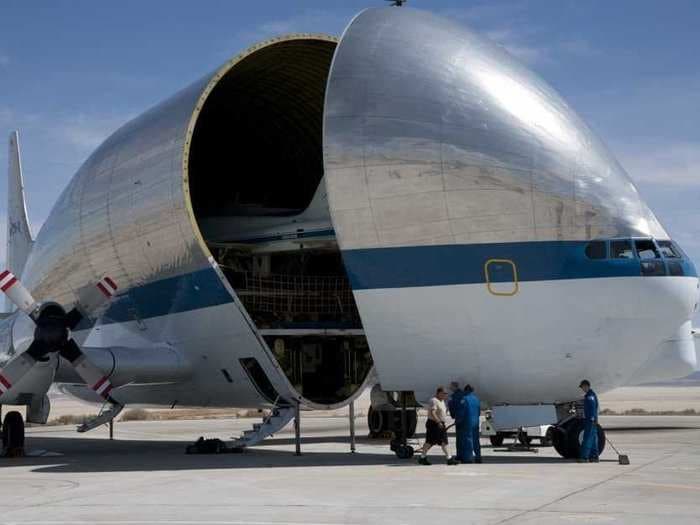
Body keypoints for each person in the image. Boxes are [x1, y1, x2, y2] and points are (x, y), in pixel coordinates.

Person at [418, 386, 458, 465]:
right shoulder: (434, 400)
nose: (445, 395)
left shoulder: (442, 401)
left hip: (439, 423)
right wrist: (438, 422)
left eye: (446, 394)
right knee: (437, 441)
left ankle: (423, 457)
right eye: (444, 393)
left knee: (436, 441)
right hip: (434, 424)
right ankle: (448, 459)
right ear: (439, 393)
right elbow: (433, 412)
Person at [578, 379, 599, 463]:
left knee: (587, 438)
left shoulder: (590, 396)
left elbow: (593, 407)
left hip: (590, 420)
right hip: (592, 420)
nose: (582, 389)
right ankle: (594, 457)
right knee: (593, 439)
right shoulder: (591, 395)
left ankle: (584, 457)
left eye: (582, 387)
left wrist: (592, 418)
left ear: (586, 386)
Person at [462, 384, 482, 464]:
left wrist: (459, 420)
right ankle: (478, 457)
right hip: (476, 422)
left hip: (467, 422)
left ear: (466, 390)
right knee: (476, 440)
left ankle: (468, 458)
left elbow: (462, 411)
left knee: (468, 440)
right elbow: (479, 412)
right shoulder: (477, 399)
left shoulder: (464, 399)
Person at [447, 382, 467, 462]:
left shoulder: (454, 396)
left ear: (454, 387)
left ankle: (460, 455)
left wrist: (454, 416)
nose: (450, 388)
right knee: (465, 438)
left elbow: (452, 407)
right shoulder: (464, 395)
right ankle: (465, 455)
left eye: (451, 387)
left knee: (459, 439)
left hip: (459, 419)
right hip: (466, 419)